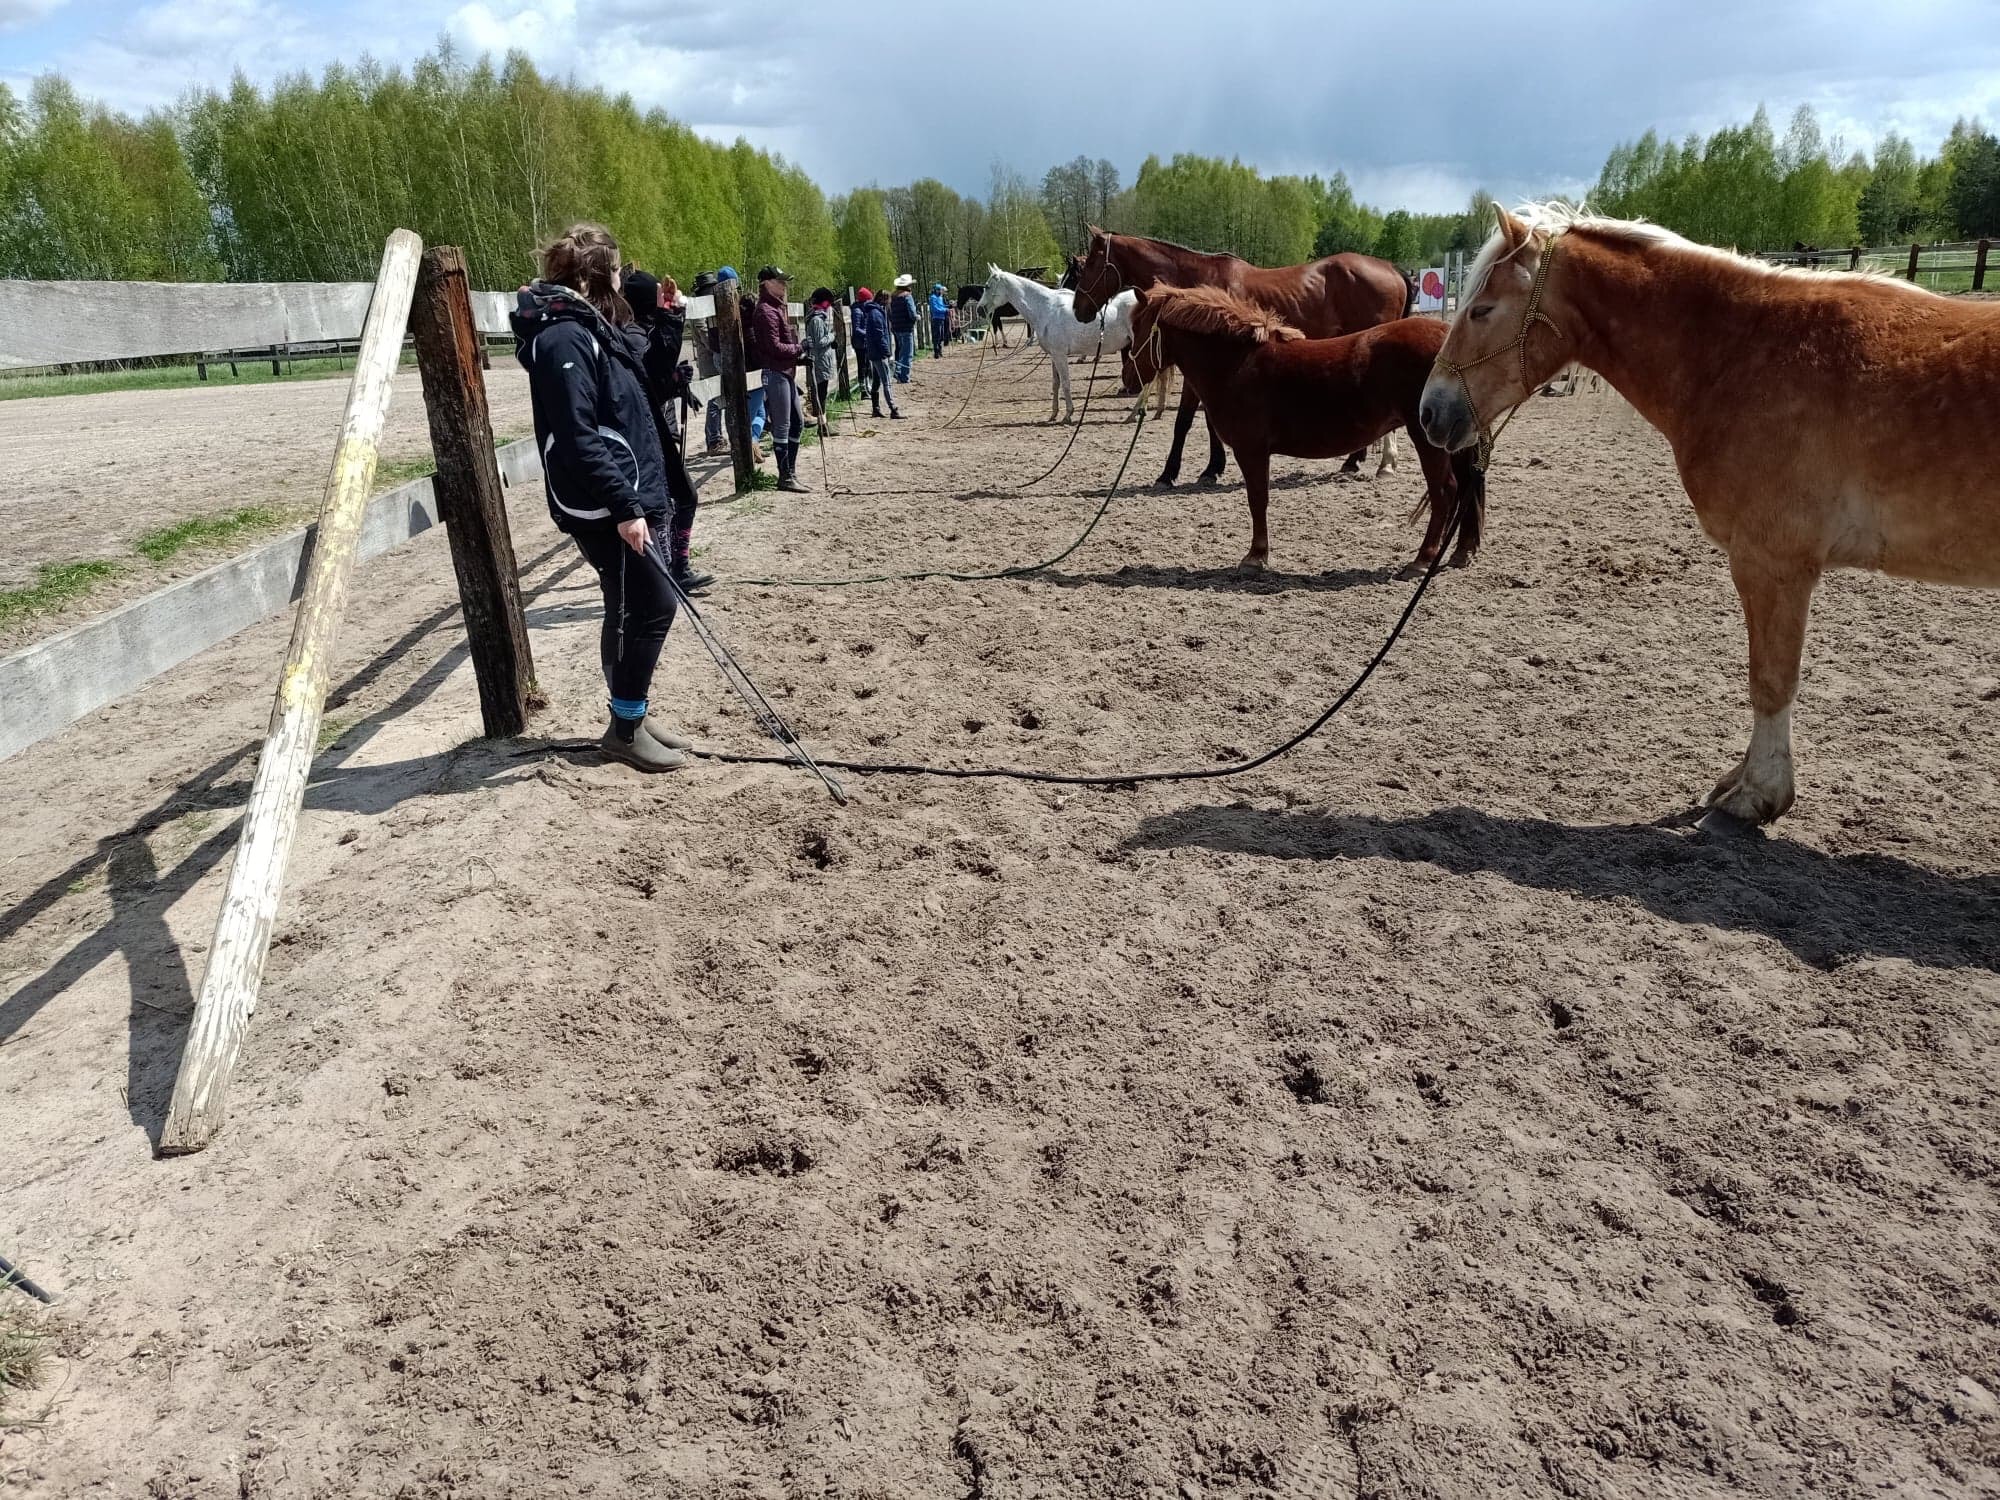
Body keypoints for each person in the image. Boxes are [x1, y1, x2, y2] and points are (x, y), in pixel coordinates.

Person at [511, 223, 689, 774]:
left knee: (625, 606)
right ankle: (624, 729)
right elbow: (576, 433)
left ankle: (629, 714)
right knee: (655, 605)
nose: (622, 277)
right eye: (616, 269)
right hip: (608, 501)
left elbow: (643, 376)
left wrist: (670, 318)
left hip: (625, 490)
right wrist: (625, 506)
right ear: (594, 276)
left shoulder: (588, 323)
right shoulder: (563, 335)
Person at [620, 265, 713, 594]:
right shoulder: (633, 335)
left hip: (656, 429)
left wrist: (676, 382)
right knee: (672, 501)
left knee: (681, 498)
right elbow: (651, 381)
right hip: (646, 435)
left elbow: (655, 382)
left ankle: (677, 567)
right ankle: (670, 571)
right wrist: (669, 378)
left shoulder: (642, 330)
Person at [745, 264, 809, 493]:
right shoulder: (765, 311)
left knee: (797, 422)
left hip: (785, 371)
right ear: (767, 284)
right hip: (775, 372)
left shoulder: (776, 308)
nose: (783, 285)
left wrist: (797, 354)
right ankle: (785, 476)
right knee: (782, 425)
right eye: (779, 281)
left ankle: (790, 472)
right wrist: (798, 349)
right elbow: (773, 347)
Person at [850, 288, 899, 419]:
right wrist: (887, 353)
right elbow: (880, 336)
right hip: (878, 352)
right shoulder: (876, 314)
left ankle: (875, 408)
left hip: (874, 350)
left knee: (876, 380)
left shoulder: (875, 312)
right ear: (883, 299)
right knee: (886, 380)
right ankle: (893, 408)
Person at [804, 288, 838, 419]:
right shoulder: (817, 320)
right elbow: (819, 342)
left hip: (822, 360)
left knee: (822, 393)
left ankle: (823, 422)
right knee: (821, 394)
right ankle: (822, 423)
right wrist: (832, 336)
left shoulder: (818, 318)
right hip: (820, 361)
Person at [888, 273, 918, 383]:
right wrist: (916, 318)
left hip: (896, 328)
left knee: (900, 351)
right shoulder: (907, 296)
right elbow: (912, 313)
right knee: (907, 353)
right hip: (906, 327)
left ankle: (898, 372)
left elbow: (889, 313)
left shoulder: (893, 297)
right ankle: (904, 376)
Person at [928, 282, 951, 358]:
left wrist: (949, 306)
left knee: (941, 335)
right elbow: (935, 309)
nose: (940, 291)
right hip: (936, 318)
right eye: (939, 290)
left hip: (942, 318)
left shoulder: (940, 298)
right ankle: (936, 351)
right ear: (936, 290)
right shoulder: (933, 297)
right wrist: (945, 310)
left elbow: (941, 306)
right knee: (936, 335)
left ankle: (940, 350)